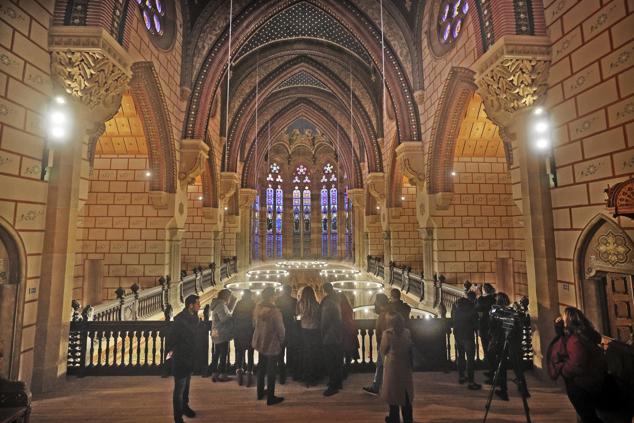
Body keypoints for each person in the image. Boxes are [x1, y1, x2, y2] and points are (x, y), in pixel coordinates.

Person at [547, 307, 607, 423]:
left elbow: (577, 365)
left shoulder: (575, 340)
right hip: (594, 379)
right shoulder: (586, 333)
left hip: (583, 384)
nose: (561, 320)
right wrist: (558, 326)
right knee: (587, 416)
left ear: (568, 321)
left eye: (563, 318)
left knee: (588, 417)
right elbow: (561, 337)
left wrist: (562, 368)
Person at [166, 295, 200, 423]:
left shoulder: (194, 318)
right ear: (190, 305)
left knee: (186, 387)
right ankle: (178, 418)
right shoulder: (179, 320)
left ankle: (185, 407)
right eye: (197, 303)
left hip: (190, 358)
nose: (199, 306)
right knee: (179, 389)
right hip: (180, 359)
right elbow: (170, 341)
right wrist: (170, 359)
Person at [252, 287, 285, 406]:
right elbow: (280, 330)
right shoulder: (275, 312)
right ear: (271, 296)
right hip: (271, 343)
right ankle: (270, 397)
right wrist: (282, 340)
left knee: (261, 368)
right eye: (274, 295)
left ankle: (260, 392)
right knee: (271, 371)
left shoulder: (258, 308)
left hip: (261, 342)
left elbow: (254, 324)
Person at [381, 311, 414, 423]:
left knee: (393, 395)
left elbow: (383, 350)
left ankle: (394, 418)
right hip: (405, 366)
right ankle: (408, 419)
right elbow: (410, 349)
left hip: (393, 367)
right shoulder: (407, 332)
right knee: (406, 395)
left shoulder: (387, 334)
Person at [451, 290, 481, 390]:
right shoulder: (472, 309)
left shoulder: (455, 307)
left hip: (458, 334)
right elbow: (476, 323)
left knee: (460, 357)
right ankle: (471, 382)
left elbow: (452, 319)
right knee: (470, 360)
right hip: (468, 335)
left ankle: (461, 376)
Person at [320, 282, 343, 396]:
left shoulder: (328, 303)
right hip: (338, 334)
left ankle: (333, 386)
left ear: (325, 290)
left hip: (330, 336)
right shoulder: (337, 299)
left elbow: (324, 321)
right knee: (337, 360)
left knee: (331, 362)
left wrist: (322, 333)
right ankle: (338, 383)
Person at [363, 293, 389, 395]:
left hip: (385, 344)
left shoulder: (384, 314)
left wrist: (382, 343)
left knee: (384, 366)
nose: (375, 303)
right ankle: (376, 386)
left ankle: (379, 387)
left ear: (379, 302)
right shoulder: (387, 312)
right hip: (385, 343)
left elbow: (384, 330)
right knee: (381, 366)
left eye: (376, 301)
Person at [296, 286, 321, 386]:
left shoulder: (300, 303)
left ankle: (306, 377)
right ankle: (314, 377)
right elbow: (319, 316)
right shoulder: (316, 304)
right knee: (314, 354)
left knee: (306, 354)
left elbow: (297, 314)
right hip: (315, 331)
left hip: (304, 330)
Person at [210, 289, 233, 382]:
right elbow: (223, 319)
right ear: (226, 297)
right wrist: (231, 316)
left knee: (217, 353)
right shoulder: (221, 305)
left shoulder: (217, 304)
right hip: (221, 332)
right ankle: (222, 374)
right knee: (223, 354)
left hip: (216, 331)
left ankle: (214, 374)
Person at [276, 284, 298, 384]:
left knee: (280, 353)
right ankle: (292, 373)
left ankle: (282, 376)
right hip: (291, 327)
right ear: (290, 291)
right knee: (291, 351)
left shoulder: (278, 300)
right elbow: (296, 313)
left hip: (281, 326)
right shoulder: (294, 300)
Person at [233, 289, 256, 386]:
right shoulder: (253, 304)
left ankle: (239, 374)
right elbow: (255, 318)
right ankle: (250, 373)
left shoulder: (239, 304)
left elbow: (233, 316)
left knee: (239, 353)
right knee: (250, 353)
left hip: (238, 332)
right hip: (249, 332)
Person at [476, 282, 496, 379]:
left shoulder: (481, 299)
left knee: (487, 349)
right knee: (493, 350)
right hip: (493, 328)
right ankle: (492, 371)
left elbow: (477, 311)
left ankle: (491, 371)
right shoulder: (494, 299)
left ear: (484, 290)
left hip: (484, 327)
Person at [340, 292, 360, 378]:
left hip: (344, 332)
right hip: (350, 331)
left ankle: (344, 371)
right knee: (348, 352)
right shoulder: (348, 307)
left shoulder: (341, 307)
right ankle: (347, 370)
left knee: (343, 352)